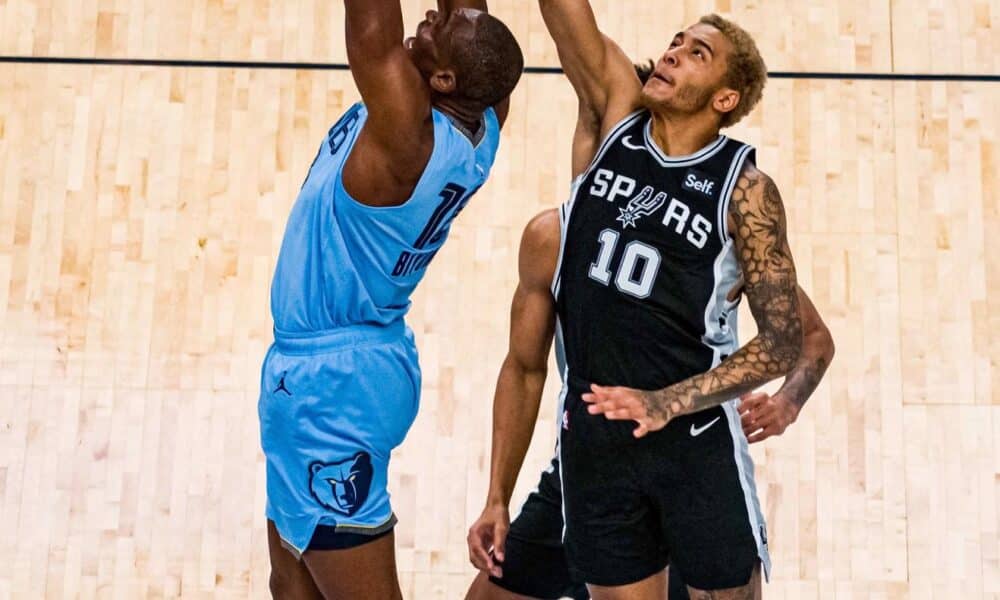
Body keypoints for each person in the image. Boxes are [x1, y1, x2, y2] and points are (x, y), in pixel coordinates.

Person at [468, 2, 825, 598]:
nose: (672, 54)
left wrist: (672, 402)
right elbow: (565, 16)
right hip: (599, 442)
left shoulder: (745, 193)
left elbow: (790, 339)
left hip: (694, 446)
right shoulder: (616, 122)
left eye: (696, 54)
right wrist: (496, 494)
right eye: (675, 43)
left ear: (725, 99)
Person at [257, 1, 523, 598]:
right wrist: (455, 26)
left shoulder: (406, 137)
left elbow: (372, 32)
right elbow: (469, 12)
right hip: (361, 362)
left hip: (328, 391)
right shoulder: (483, 120)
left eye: (438, 27)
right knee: (290, 578)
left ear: (443, 80)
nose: (429, 16)